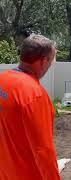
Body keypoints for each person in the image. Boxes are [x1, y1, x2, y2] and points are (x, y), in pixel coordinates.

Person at [0, 35, 60, 179]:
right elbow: (44, 152)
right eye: (51, 61)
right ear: (43, 61)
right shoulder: (35, 96)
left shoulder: (3, 80)